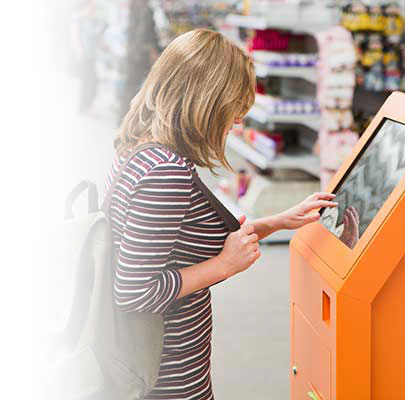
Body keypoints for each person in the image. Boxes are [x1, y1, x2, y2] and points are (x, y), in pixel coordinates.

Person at [104, 29, 340, 400]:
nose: (237, 123)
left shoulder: (140, 148)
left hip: (165, 368)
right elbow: (134, 292)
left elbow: (176, 240)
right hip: (165, 377)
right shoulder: (166, 173)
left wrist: (278, 221)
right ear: (206, 101)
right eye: (234, 110)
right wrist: (226, 265)